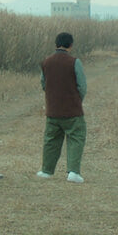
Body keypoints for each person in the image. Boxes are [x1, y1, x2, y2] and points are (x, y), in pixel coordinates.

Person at [36, 31, 86, 183]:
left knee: (51, 140)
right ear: (71, 45)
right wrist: (77, 100)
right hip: (72, 111)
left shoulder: (46, 62)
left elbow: (43, 83)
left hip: (52, 110)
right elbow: (82, 86)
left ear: (56, 44)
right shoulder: (74, 62)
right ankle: (73, 172)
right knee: (76, 138)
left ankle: (46, 170)